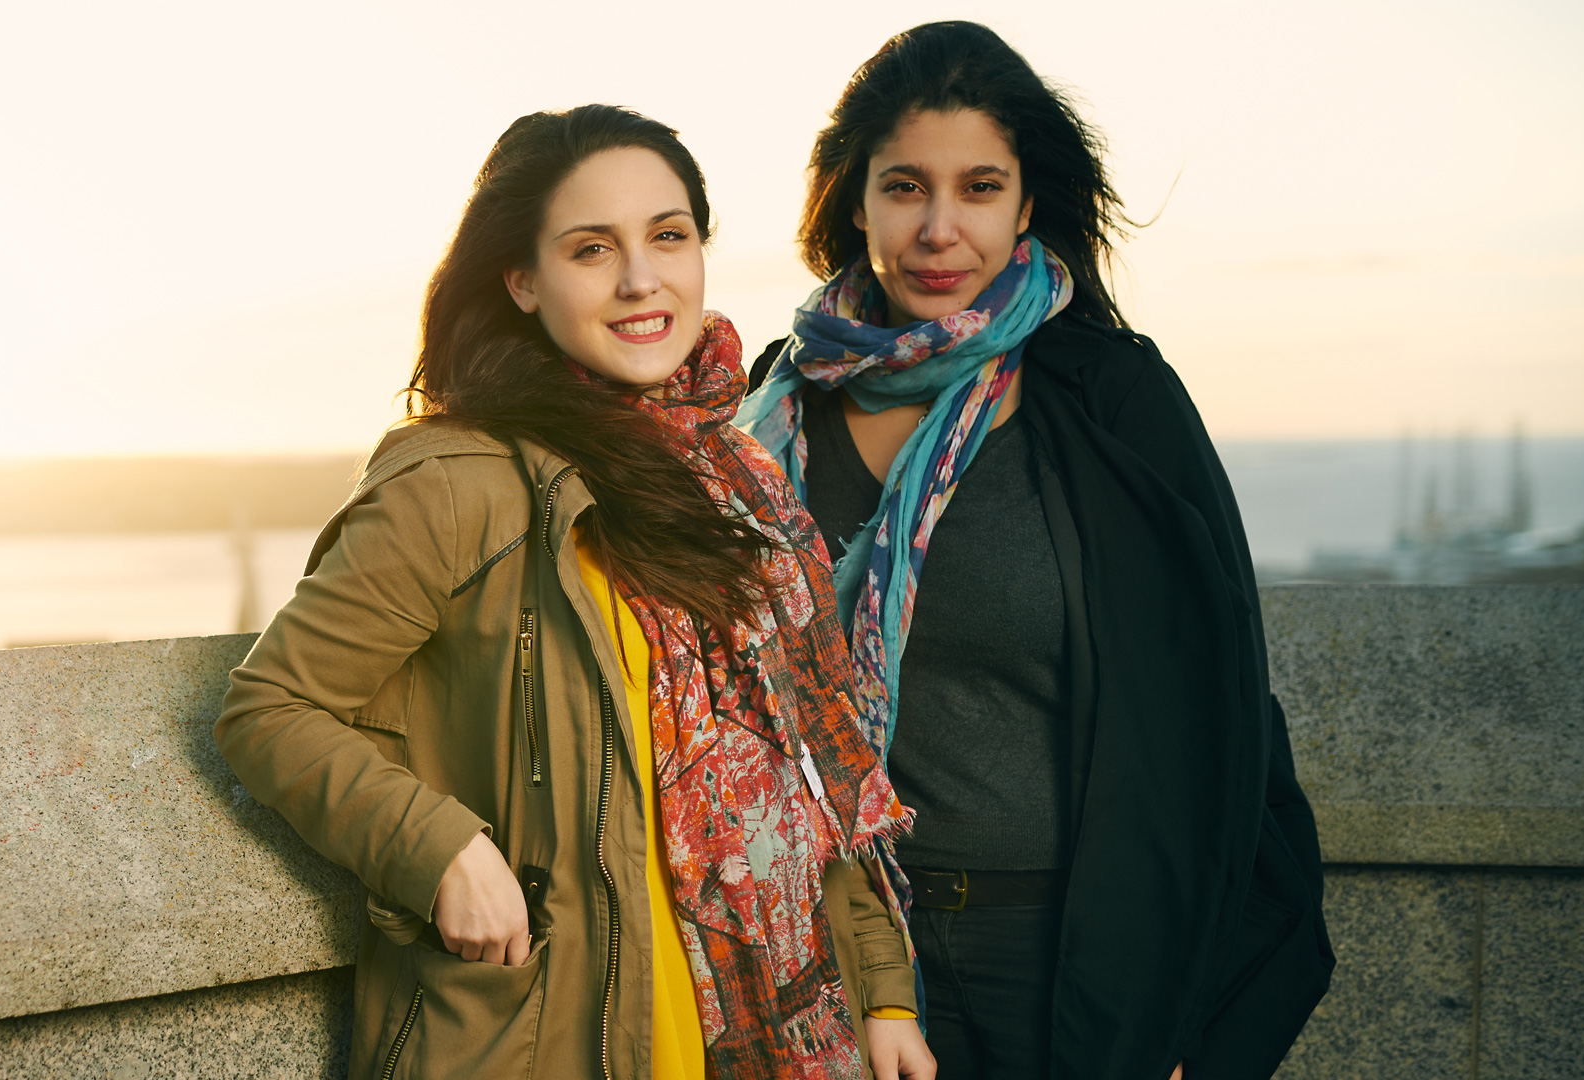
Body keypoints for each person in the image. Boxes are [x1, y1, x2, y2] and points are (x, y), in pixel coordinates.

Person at [218, 104, 936, 1079]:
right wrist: (438, 850)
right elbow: (271, 708)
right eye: (591, 249)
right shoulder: (459, 484)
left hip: (783, 1040)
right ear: (521, 279)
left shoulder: (738, 480)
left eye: (667, 237)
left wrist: (882, 991)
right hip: (566, 1042)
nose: (641, 279)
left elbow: (809, 770)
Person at [735, 22, 1334, 1080]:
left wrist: (1190, 1011)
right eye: (904, 187)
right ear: (854, 199)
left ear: (1022, 207)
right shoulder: (783, 402)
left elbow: (1218, 704)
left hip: (1057, 954)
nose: (937, 227)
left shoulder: (1109, 397)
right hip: (834, 944)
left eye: (977, 187)